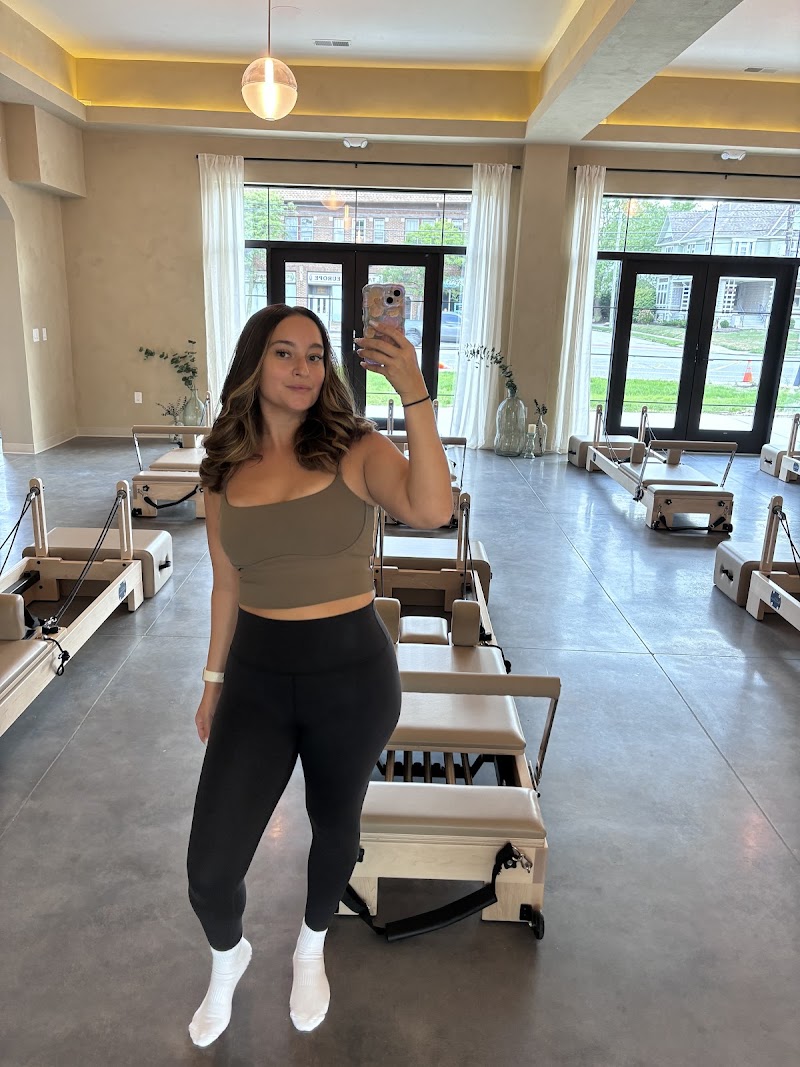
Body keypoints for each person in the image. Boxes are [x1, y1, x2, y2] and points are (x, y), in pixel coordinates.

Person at [185, 303, 453, 1045]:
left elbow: (433, 508)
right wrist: (212, 681)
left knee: (335, 827)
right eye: (284, 352)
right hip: (257, 677)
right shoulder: (222, 467)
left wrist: (414, 392)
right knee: (209, 868)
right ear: (254, 363)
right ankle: (228, 957)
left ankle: (311, 947)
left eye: (314, 354)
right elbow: (227, 582)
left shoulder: (355, 448)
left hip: (351, 676)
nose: (303, 368)